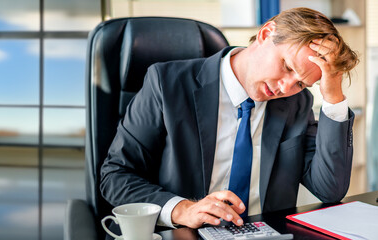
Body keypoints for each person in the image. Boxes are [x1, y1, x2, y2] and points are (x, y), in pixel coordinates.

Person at [100, 7, 359, 230]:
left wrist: (333, 97)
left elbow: (329, 189)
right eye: (287, 66)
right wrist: (182, 210)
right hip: (184, 233)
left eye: (301, 83)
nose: (285, 87)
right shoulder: (167, 84)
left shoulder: (296, 103)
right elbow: (117, 175)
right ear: (266, 34)